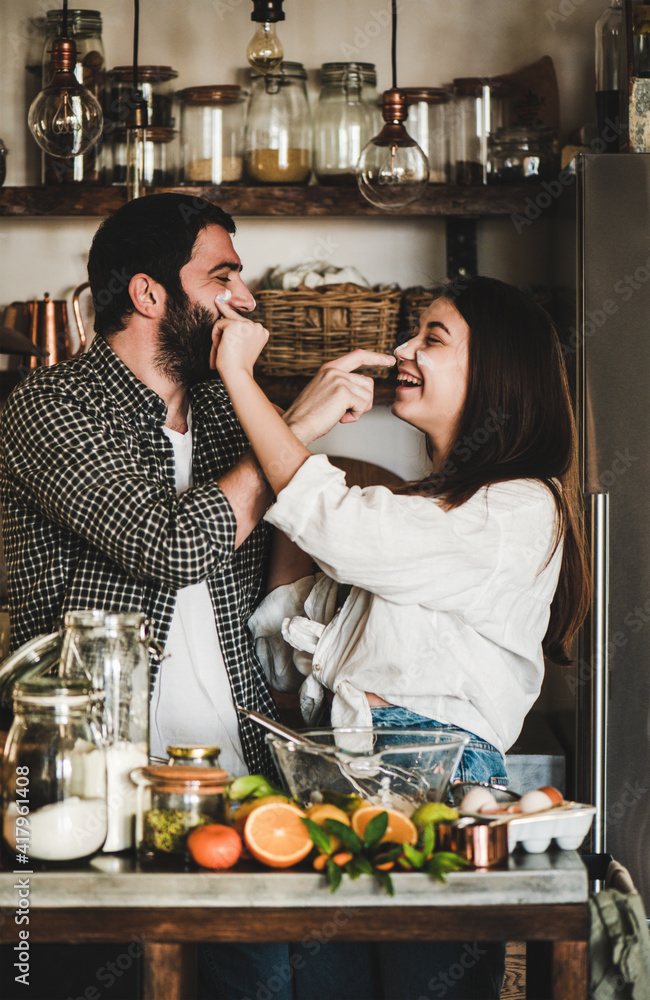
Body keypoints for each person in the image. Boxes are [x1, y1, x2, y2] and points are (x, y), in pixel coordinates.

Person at [0, 191, 393, 1000]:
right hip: (93, 791)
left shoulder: (224, 408)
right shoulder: (50, 408)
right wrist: (298, 423)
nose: (246, 299)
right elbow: (172, 545)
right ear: (149, 294)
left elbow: (289, 547)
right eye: (224, 277)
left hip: (237, 781)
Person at [211, 274, 590, 1000]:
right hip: (347, 776)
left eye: (433, 338)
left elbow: (340, 528)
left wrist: (242, 380)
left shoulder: (519, 506)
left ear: (498, 371)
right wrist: (306, 496)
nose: (402, 349)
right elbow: (290, 638)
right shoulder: (424, 511)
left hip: (436, 786)